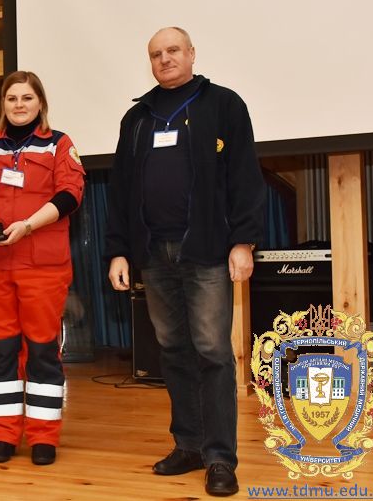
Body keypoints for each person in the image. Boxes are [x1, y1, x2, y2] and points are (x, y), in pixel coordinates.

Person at [105, 27, 265, 496]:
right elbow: (120, 190)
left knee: (213, 352)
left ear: (192, 53)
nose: (165, 59)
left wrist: (244, 241)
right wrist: (118, 249)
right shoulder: (137, 118)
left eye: (173, 50)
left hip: (208, 252)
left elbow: (245, 176)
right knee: (173, 351)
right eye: (156, 54)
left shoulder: (224, 104)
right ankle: (189, 445)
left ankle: (220, 459)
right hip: (153, 254)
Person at [0, 71, 85, 466]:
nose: (19, 105)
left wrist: (29, 225)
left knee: (42, 352)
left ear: (40, 103)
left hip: (42, 266)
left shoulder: (58, 144)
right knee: (1, 352)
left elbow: (71, 195)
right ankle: (3, 434)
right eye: (12, 98)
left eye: (27, 98)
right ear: (3, 103)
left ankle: (44, 436)